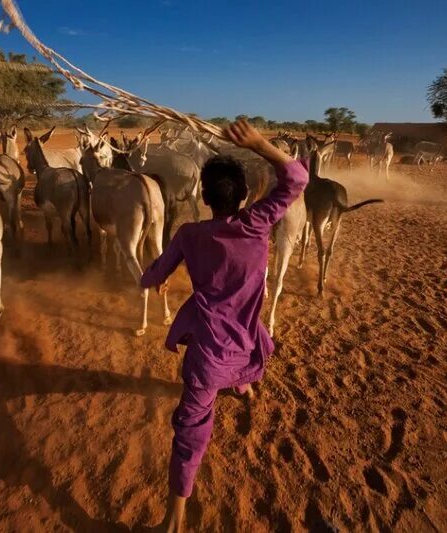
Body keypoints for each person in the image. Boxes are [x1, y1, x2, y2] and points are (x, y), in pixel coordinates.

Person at [140, 119, 308, 532]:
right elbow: (297, 176)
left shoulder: (189, 233)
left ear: (202, 196)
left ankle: (172, 522)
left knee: (189, 432)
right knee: (249, 348)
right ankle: (243, 382)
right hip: (246, 341)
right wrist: (261, 144)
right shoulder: (258, 223)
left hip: (209, 355)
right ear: (247, 195)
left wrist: (156, 277)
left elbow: (151, 274)